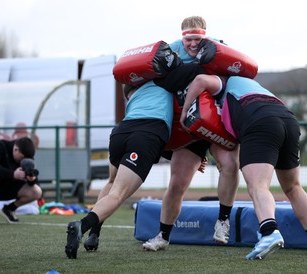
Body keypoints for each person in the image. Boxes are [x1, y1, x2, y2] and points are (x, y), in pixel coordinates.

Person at [180, 74, 307, 260]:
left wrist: (185, 111)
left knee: (258, 186)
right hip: (288, 120)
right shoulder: (250, 84)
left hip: (259, 120)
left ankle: (269, 231)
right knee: (293, 187)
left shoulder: (223, 82)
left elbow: (200, 81)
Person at [65, 62, 208, 259]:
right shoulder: (165, 81)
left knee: (111, 182)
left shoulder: (138, 90)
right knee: (118, 195)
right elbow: (196, 68)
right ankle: (82, 225)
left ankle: (94, 235)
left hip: (121, 132)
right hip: (146, 134)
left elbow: (154, 151)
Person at [142, 15, 240, 252]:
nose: (193, 44)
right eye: (189, 40)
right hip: (188, 126)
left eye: (198, 39)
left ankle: (223, 222)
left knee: (230, 164)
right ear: (181, 37)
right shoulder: (171, 50)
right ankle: (163, 235)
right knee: (177, 183)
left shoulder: (218, 47)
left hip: (215, 120)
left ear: (205, 36)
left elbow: (236, 73)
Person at [0, 137, 41, 225]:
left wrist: (31, 180)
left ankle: (9, 209)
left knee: (37, 191)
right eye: (22, 157)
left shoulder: (26, 158)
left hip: (7, 189)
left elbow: (33, 181)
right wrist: (13, 174)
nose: (23, 161)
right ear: (16, 149)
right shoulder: (0, 146)